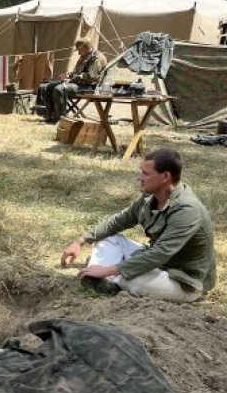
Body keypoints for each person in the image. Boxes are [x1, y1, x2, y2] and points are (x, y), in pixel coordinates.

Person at [60, 148, 216, 303]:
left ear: (165, 177)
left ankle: (106, 278)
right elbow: (118, 221)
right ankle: (100, 278)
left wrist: (109, 269)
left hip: (184, 281)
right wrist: (80, 241)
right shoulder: (151, 197)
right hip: (158, 265)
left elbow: (160, 253)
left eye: (146, 173)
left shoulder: (187, 209)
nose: (139, 177)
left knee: (132, 279)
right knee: (109, 239)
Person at [41, 38, 107, 123]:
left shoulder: (96, 58)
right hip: (78, 83)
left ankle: (62, 119)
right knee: (46, 87)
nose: (78, 53)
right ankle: (50, 116)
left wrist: (71, 79)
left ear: (86, 47)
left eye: (79, 50)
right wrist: (68, 75)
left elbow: (90, 76)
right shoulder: (83, 56)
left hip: (89, 86)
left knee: (59, 89)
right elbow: (77, 72)